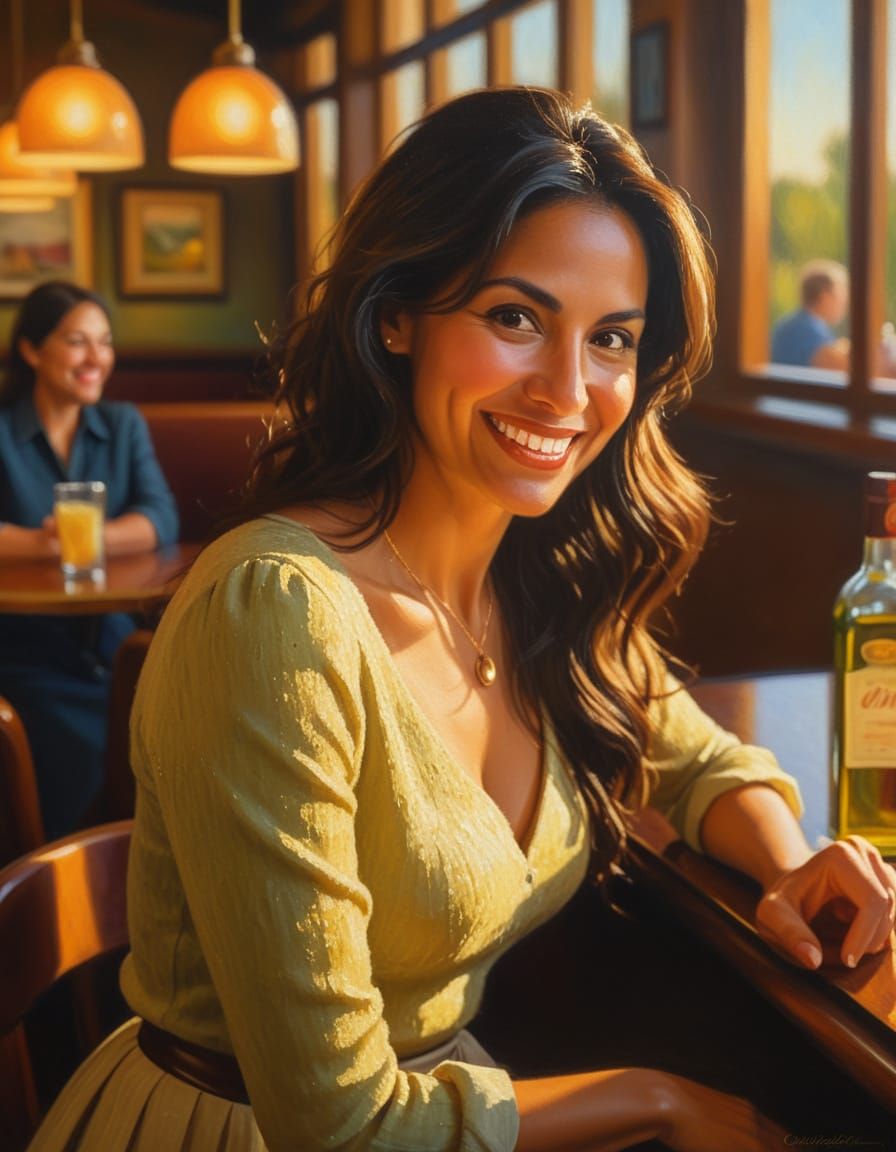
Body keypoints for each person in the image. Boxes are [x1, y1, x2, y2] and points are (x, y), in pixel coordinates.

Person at [29, 89, 896, 1152]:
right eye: (514, 318)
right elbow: (337, 1126)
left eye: (611, 338)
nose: (566, 391)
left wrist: (782, 864)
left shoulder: (539, 580)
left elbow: (699, 760)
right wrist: (657, 1097)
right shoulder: (275, 616)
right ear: (396, 313)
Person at [0, 281, 178, 839]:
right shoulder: (3, 429)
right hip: (26, 650)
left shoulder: (122, 424)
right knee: (66, 741)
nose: (96, 358)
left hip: (114, 645)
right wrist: (43, 543)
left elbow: (159, 518)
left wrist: (88, 538)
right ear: (32, 350)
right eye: (78, 341)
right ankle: (52, 884)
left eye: (104, 342)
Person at [770, 259, 850, 370]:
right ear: (824, 297)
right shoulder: (805, 328)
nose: (845, 303)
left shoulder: (795, 322)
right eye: (841, 295)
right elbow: (842, 368)